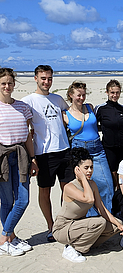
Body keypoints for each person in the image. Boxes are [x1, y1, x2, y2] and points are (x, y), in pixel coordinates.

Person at [22, 65, 75, 242]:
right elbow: (25, 129)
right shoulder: (28, 101)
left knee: (67, 190)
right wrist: (32, 159)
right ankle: (51, 226)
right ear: (35, 78)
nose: (47, 82)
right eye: (43, 78)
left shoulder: (58, 99)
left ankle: (63, 222)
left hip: (64, 150)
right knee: (44, 191)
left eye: (49, 78)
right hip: (44, 153)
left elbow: (71, 113)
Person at [52, 147, 123, 263]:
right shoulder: (69, 187)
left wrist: (118, 223)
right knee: (99, 223)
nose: (90, 171)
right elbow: (89, 199)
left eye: (91, 167)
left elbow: (101, 208)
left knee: (116, 226)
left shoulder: (92, 184)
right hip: (63, 228)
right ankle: (71, 248)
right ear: (77, 169)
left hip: (80, 224)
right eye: (86, 168)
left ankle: (85, 245)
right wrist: (83, 178)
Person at [0, 68, 39, 256]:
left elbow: (28, 137)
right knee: (7, 201)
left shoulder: (23, 107)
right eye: (3, 83)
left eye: (10, 83)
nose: (7, 86)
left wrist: (33, 159)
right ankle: (8, 238)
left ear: (14, 84)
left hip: (21, 156)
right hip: (2, 158)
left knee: (22, 200)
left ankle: (6, 236)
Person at [63, 81, 114, 217]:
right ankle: (91, 218)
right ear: (71, 95)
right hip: (79, 151)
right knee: (86, 186)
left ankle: (108, 217)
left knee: (107, 185)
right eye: (78, 95)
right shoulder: (65, 114)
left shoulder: (90, 107)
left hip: (97, 149)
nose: (81, 98)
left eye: (84, 95)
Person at [95, 79, 123, 188]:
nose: (115, 95)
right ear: (107, 93)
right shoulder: (101, 109)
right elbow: (94, 125)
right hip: (109, 147)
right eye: (112, 92)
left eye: (117, 92)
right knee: (112, 173)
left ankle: (122, 196)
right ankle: (115, 196)